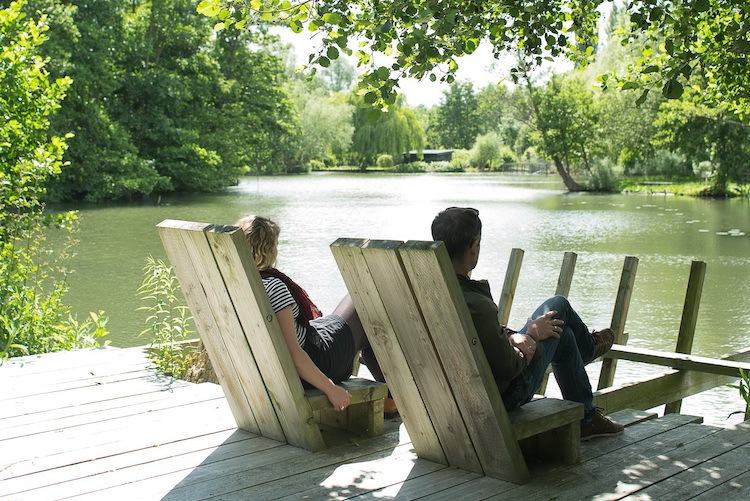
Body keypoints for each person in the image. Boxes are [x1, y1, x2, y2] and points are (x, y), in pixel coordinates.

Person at [431, 207, 624, 440]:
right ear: (474, 245)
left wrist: (510, 337)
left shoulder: (431, 290)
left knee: (561, 334)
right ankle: (588, 354)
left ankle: (587, 416)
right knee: (558, 307)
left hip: (449, 394)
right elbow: (510, 367)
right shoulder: (476, 304)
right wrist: (531, 334)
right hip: (499, 396)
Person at [235, 215, 392, 415]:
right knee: (365, 300)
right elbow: (293, 353)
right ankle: (392, 399)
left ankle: (388, 397)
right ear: (270, 248)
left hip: (272, 369)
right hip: (318, 363)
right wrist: (331, 389)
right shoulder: (273, 286)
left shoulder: (234, 285)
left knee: (363, 311)